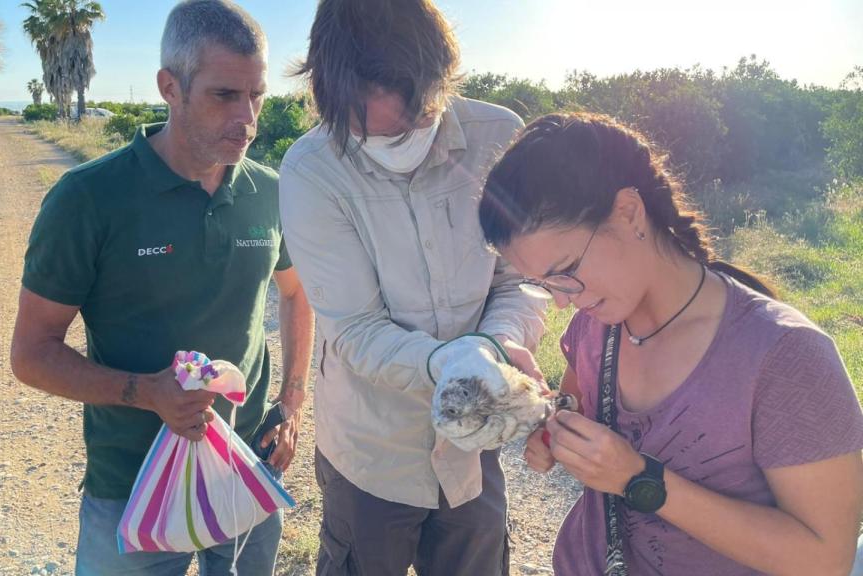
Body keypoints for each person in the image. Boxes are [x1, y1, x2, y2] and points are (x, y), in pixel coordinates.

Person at [478, 111, 863, 575]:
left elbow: (825, 559)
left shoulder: (786, 357)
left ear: (628, 212)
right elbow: (575, 406)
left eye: (566, 272)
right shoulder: (595, 323)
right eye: (543, 283)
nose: (561, 303)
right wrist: (554, 436)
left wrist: (640, 479)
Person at [9, 1, 314, 574]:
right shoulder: (88, 199)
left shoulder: (271, 191)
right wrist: (149, 393)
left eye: (258, 95)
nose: (248, 117)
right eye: (225, 95)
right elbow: (31, 354)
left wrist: (292, 403)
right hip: (131, 484)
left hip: (248, 469)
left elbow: (297, 293)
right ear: (169, 87)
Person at [279, 1, 546, 574]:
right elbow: (353, 325)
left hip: (475, 441)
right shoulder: (310, 171)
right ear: (328, 99)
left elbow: (520, 278)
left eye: (414, 124)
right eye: (365, 132)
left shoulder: (499, 136)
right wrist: (446, 361)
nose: (395, 144)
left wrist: (492, 347)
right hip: (370, 450)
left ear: (440, 84)